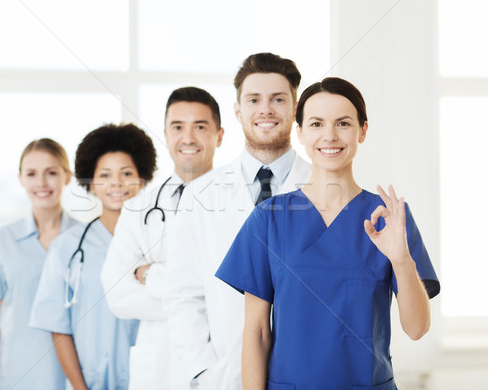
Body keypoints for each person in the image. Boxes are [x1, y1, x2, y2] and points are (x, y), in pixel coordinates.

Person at [215, 77, 441, 389]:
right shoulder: (269, 219)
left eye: (343, 123)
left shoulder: (389, 218)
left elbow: (417, 329)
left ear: (363, 130)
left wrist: (402, 260)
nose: (330, 136)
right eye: (317, 124)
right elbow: (256, 332)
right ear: (301, 133)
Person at [162, 53, 313, 389]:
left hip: (310, 373)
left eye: (278, 99)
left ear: (296, 108)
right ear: (238, 110)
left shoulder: (325, 187)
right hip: (225, 376)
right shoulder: (201, 194)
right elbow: (182, 294)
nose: (266, 110)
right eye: (254, 100)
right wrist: (203, 370)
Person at [100, 87, 224, 390]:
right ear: (166, 134)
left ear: (219, 136)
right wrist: (204, 298)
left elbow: (237, 293)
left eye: (200, 127)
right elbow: (118, 295)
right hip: (157, 368)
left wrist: (151, 274)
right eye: (178, 127)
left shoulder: (240, 204)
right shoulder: (138, 208)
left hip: (219, 362)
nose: (188, 137)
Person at [29, 123, 157, 390]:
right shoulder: (67, 247)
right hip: (91, 383)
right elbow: (59, 327)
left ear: (142, 179)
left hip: (153, 378)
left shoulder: (159, 242)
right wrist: (80, 387)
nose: (116, 184)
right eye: (105, 175)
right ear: (92, 183)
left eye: (126, 173)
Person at [0, 138, 77, 390]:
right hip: (15, 378)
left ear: (67, 176)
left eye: (51, 173)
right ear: (21, 179)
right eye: (31, 174)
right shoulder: (1, 241)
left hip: (73, 380)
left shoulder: (85, 239)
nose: (41, 183)